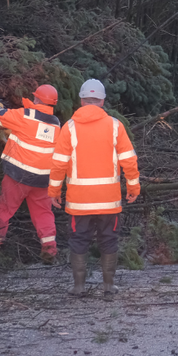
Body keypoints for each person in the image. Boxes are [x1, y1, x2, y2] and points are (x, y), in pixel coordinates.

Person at [49, 79, 140, 298]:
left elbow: (59, 163)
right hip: (109, 201)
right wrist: (133, 186)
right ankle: (108, 286)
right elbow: (128, 160)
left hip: (79, 202)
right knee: (109, 239)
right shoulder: (115, 126)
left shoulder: (69, 128)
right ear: (102, 101)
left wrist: (53, 192)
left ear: (81, 100)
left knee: (79, 240)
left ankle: (79, 287)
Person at [0, 84, 62, 263]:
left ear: (36, 99)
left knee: (4, 209)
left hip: (18, 176)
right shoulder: (56, 125)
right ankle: (50, 249)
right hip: (43, 180)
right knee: (44, 214)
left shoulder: (25, 116)